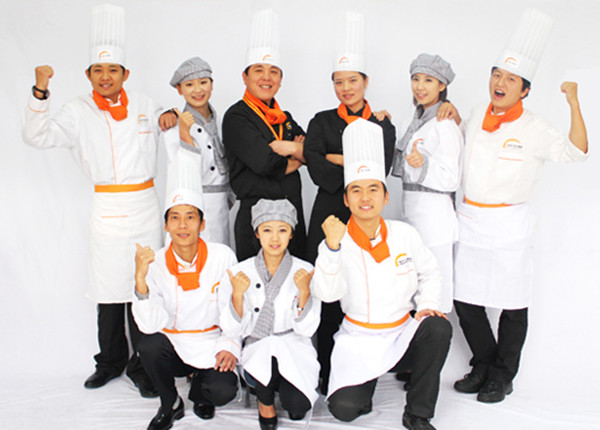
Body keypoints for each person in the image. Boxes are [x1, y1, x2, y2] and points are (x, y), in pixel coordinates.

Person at [21, 4, 173, 397]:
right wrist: (40, 91)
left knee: (145, 286)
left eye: (113, 70)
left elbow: (167, 121)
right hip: (107, 208)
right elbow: (36, 136)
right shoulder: (77, 110)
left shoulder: (144, 103)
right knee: (108, 291)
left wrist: (172, 115)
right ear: (88, 75)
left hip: (144, 204)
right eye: (98, 70)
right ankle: (108, 363)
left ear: (126, 74)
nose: (106, 77)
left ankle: (143, 366)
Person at [450, 9, 588, 404]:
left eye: (511, 79)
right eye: (497, 75)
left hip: (509, 224)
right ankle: (483, 364)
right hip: (470, 219)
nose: (500, 83)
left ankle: (502, 376)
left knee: (513, 305)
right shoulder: (476, 112)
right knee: (465, 299)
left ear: (525, 90)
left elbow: (577, 151)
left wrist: (574, 103)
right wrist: (450, 112)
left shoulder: (534, 127)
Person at [311, 118, 452, 430]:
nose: (365, 198)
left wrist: (428, 304)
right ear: (346, 199)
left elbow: (430, 272)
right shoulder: (335, 241)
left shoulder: (404, 234)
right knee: (344, 410)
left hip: (402, 333)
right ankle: (366, 384)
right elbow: (327, 294)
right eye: (356, 191)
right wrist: (332, 249)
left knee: (438, 327)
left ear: (386, 197)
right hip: (359, 339)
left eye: (373, 189)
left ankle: (417, 413)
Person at [303, 12, 396, 394]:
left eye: (352, 80)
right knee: (327, 293)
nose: (345, 88)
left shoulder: (383, 124)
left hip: (367, 218)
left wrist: (336, 157)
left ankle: (361, 371)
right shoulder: (320, 120)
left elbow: (380, 171)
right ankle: (325, 370)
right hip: (328, 215)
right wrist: (354, 160)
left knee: (363, 291)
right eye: (339, 82)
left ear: (365, 81)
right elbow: (316, 169)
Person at [132, 144, 239, 430]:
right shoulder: (154, 262)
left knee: (224, 390)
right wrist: (140, 279)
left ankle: (200, 391)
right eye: (175, 218)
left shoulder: (222, 257)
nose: (182, 225)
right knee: (149, 345)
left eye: (190, 217)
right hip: (174, 345)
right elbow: (149, 325)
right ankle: (170, 403)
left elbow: (235, 308)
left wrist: (229, 345)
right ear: (165, 225)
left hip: (210, 343)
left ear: (202, 224)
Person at [219, 199, 321, 430]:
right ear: (257, 233)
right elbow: (232, 329)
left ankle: (285, 388)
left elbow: (307, 329)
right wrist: (237, 295)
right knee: (265, 354)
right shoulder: (238, 272)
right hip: (258, 345)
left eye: (282, 230)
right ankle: (265, 403)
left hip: (293, 345)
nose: (275, 238)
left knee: (297, 407)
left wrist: (304, 291)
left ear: (291, 234)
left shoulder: (306, 271)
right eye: (267, 230)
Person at [222, 8, 307, 261]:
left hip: (292, 216)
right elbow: (264, 162)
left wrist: (293, 149)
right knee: (253, 282)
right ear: (245, 76)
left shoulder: (285, 118)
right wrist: (296, 159)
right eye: (258, 70)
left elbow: (313, 151)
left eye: (273, 71)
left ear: (280, 79)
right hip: (255, 219)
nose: (266, 78)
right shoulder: (237, 116)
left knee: (297, 280)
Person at [391, 53, 463, 314]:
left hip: (435, 218)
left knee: (436, 287)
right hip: (412, 212)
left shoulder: (444, 125)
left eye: (429, 80)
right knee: (414, 284)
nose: (420, 86)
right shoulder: (413, 121)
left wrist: (424, 164)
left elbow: (452, 178)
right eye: (416, 79)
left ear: (442, 85)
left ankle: (437, 333)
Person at [163, 57, 233, 245]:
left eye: (203, 82)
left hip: (221, 205)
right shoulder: (173, 126)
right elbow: (181, 169)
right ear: (179, 89)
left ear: (212, 84)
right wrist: (184, 132)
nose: (198, 90)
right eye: (189, 85)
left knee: (220, 253)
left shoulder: (221, 122)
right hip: (192, 203)